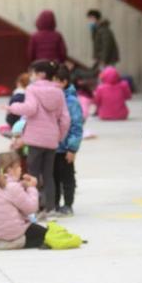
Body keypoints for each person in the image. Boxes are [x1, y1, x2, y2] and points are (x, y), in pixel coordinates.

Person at [5, 60, 70, 218]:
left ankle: (34, 208)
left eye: (33, 73)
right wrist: (59, 135)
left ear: (40, 74)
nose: (31, 76)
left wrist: (11, 107)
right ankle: (50, 208)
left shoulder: (32, 89)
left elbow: (30, 109)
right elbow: (65, 118)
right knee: (48, 174)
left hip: (34, 139)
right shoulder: (59, 91)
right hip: (51, 139)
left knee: (32, 174)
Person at [0, 151, 46, 250]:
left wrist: (22, 186)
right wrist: (32, 187)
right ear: (10, 170)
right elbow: (31, 208)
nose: (21, 169)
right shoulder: (12, 187)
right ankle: (10, 242)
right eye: (18, 167)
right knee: (45, 233)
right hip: (11, 233)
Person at [53, 69, 84, 216]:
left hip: (65, 148)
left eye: (56, 81)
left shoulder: (71, 102)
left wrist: (72, 148)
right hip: (51, 146)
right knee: (53, 177)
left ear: (64, 82)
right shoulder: (51, 98)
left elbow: (76, 127)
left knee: (67, 177)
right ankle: (54, 204)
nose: (52, 84)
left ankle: (68, 204)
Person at [0, 72, 31, 137]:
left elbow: (11, 116)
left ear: (19, 83)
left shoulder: (17, 96)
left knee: (2, 129)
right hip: (26, 123)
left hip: (17, 124)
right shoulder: (31, 95)